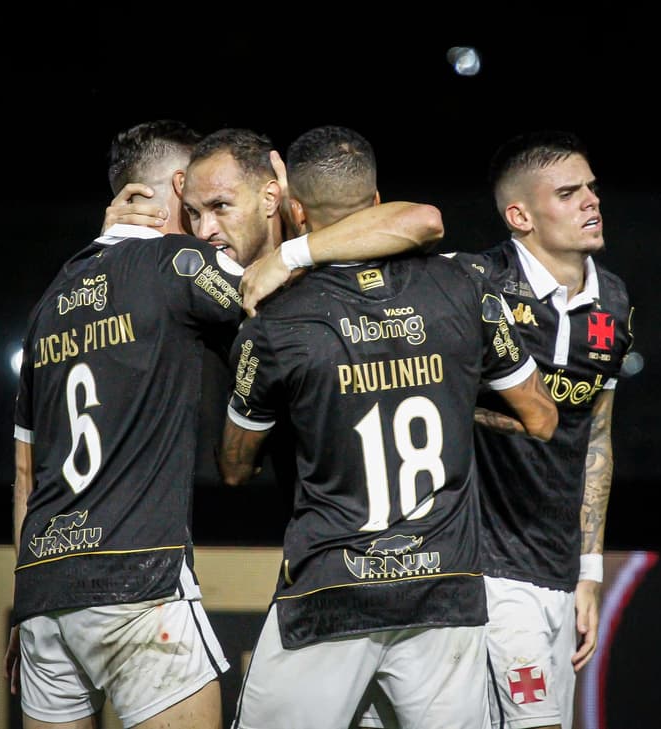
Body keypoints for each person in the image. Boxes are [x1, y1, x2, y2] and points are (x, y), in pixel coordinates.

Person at [4, 120, 446, 729]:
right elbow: (273, 302)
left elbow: (25, 471)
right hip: (144, 578)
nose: (204, 227)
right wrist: (292, 238)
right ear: (173, 193)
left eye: (216, 205)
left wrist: (29, 594)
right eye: (193, 208)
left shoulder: (47, 303)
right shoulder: (177, 264)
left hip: (45, 591)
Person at [216, 125, 558, 729]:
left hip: (330, 592)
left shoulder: (276, 323)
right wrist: (457, 404)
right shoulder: (468, 284)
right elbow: (540, 416)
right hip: (444, 589)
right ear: (376, 202)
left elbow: (235, 467)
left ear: (296, 210)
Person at [464, 130, 634, 729]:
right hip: (483, 565)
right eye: (568, 193)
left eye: (590, 188)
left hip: (559, 571)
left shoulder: (613, 302)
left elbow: (596, 440)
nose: (591, 201)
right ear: (521, 215)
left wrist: (589, 575)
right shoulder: (476, 286)